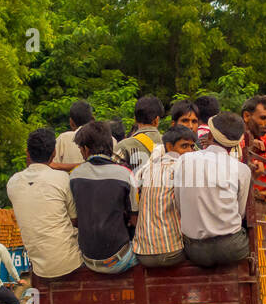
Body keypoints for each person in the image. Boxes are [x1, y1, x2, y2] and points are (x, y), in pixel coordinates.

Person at [177, 112, 252, 267]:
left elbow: (179, 204)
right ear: (235, 143)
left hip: (195, 251)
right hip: (231, 248)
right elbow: (241, 212)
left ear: (209, 135)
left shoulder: (184, 160)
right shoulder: (242, 170)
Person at [6, 128, 82, 280]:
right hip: (71, 262)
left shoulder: (13, 182)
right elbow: (75, 220)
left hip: (40, 268)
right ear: (54, 153)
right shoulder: (62, 179)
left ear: (27, 152)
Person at [70, 120, 139, 274]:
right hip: (118, 260)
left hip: (87, 259)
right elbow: (135, 220)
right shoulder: (125, 174)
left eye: (80, 149)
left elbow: (75, 219)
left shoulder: (74, 175)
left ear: (86, 149)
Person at [132, 123, 197, 267]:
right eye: (184, 146)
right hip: (171, 252)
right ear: (169, 147)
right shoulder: (181, 169)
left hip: (142, 253)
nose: (189, 152)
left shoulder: (146, 169)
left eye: (192, 147)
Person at [113, 95, 164, 171]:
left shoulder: (123, 146)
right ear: (157, 120)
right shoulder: (170, 144)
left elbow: (111, 172)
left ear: (135, 119)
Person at [52, 100, 94, 173]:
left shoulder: (64, 138)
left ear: (71, 122)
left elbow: (52, 165)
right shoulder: (108, 138)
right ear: (92, 119)